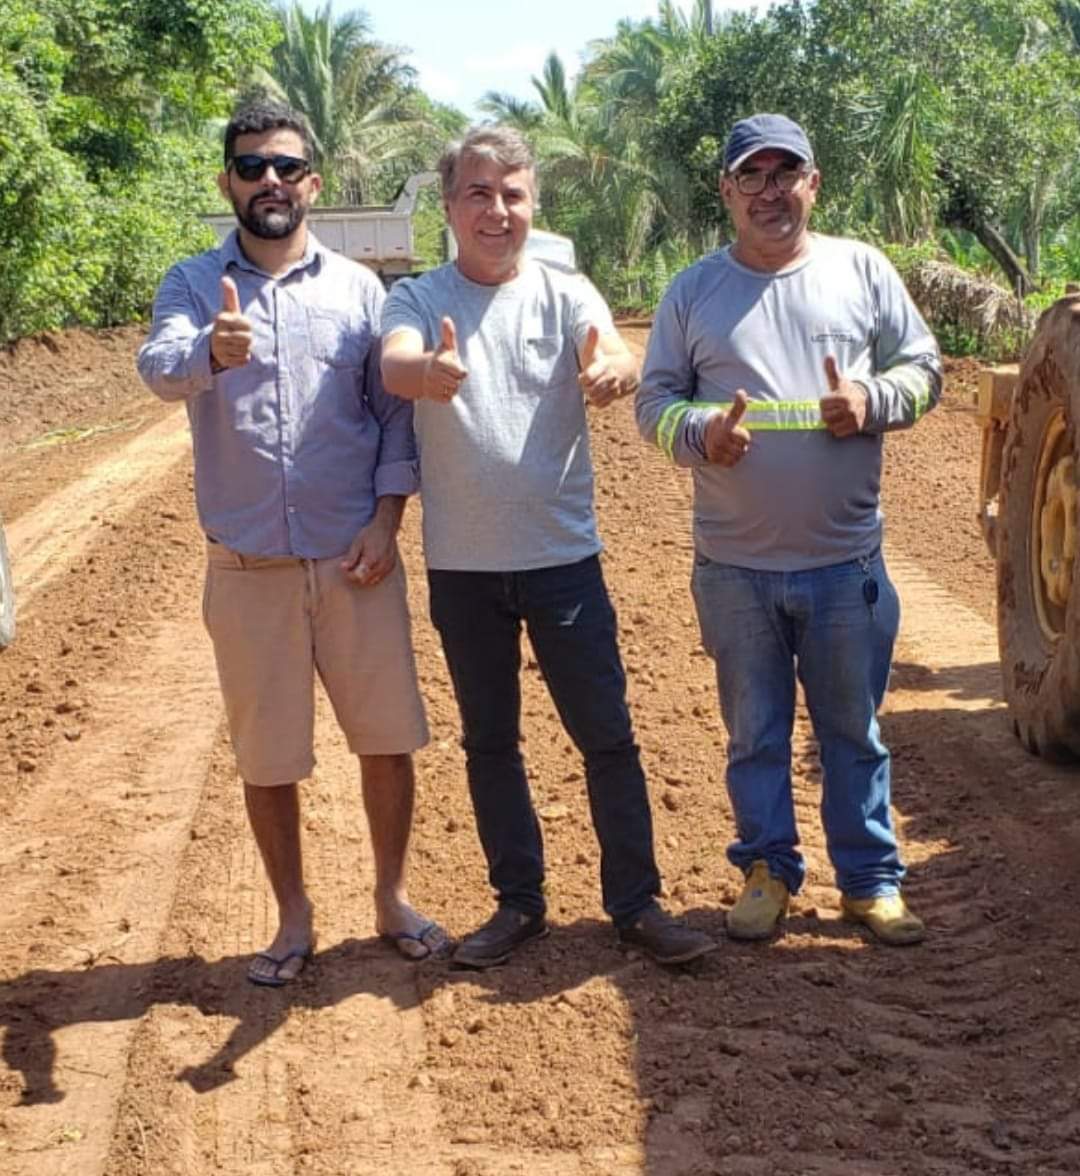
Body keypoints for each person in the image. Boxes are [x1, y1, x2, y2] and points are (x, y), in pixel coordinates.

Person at [379, 126, 716, 968]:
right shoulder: (419, 299)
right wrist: (425, 373)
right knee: (491, 742)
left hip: (564, 560)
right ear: (451, 207)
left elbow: (614, 348)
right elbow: (394, 363)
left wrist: (617, 368)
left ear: (533, 203)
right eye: (479, 194)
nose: (498, 210)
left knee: (607, 737)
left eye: (513, 194)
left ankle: (636, 905)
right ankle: (518, 904)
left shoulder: (566, 292)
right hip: (463, 568)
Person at [137, 100, 448, 986]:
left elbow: (394, 422)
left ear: (311, 182)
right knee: (267, 756)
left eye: (283, 166)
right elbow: (160, 370)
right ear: (226, 182)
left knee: (387, 740)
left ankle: (390, 899)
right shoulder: (192, 286)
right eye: (249, 167)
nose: (267, 181)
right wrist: (211, 351)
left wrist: (387, 524)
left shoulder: (362, 291)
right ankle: (292, 915)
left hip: (355, 561)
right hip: (247, 569)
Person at [637, 113, 942, 946]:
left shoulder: (862, 272)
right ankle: (767, 870)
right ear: (727, 191)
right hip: (734, 568)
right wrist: (704, 434)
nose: (770, 191)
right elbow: (653, 402)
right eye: (753, 176)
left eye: (786, 173)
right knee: (755, 735)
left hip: (847, 565)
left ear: (813, 182)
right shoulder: (693, 291)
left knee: (853, 732)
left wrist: (872, 401)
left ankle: (870, 882)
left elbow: (926, 370)